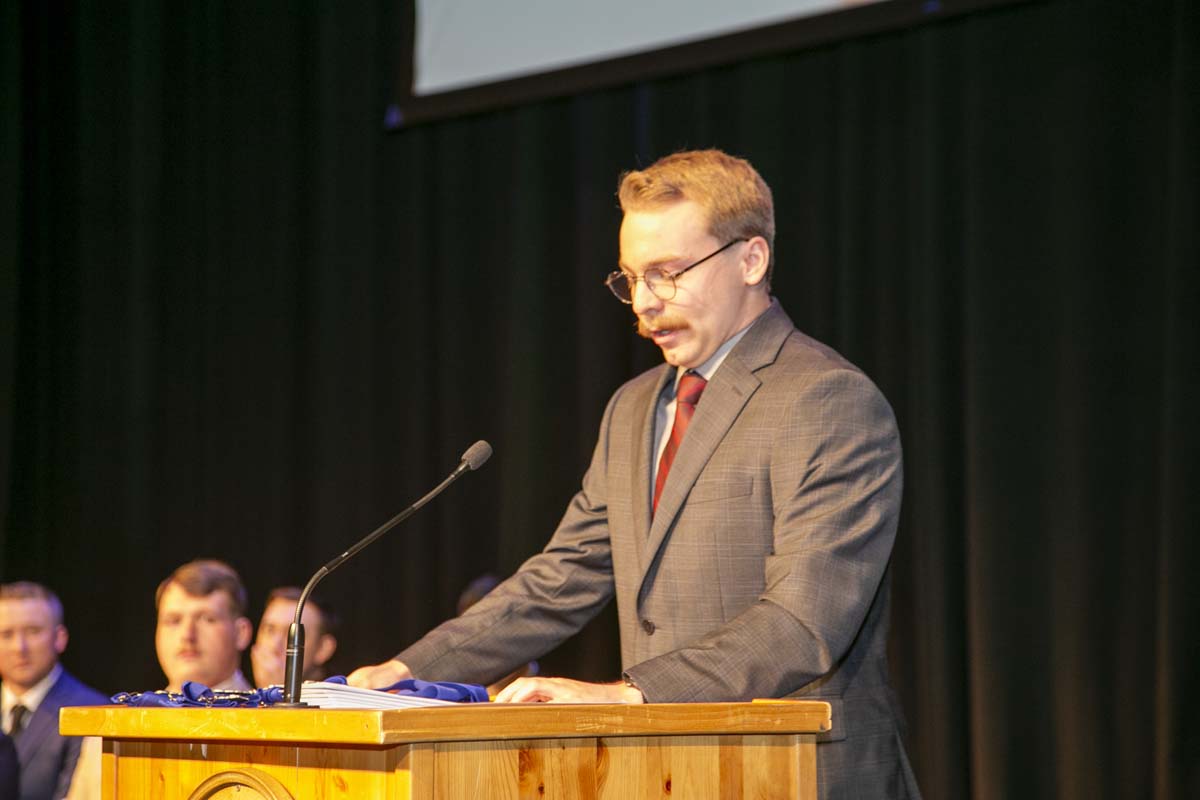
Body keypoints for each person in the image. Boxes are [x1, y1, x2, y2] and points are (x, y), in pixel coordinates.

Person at [349, 149, 921, 798]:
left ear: (751, 260)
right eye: (629, 280)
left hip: (798, 772)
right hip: (665, 773)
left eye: (667, 274)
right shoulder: (633, 408)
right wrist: (406, 674)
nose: (643, 304)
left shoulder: (827, 399)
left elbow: (802, 623)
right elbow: (561, 577)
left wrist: (626, 695)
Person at [0, 581, 106, 800]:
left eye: (33, 631)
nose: (20, 647)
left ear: (60, 638)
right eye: (6, 634)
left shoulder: (91, 713)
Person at [155, 560, 253, 692]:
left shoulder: (268, 712)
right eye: (174, 621)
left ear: (241, 633)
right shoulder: (134, 711)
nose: (187, 635)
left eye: (207, 619)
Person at [250, 587, 339, 687]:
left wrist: (274, 692)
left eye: (293, 635)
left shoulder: (340, 700)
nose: (275, 644)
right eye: (270, 630)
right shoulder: (238, 698)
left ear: (323, 649)